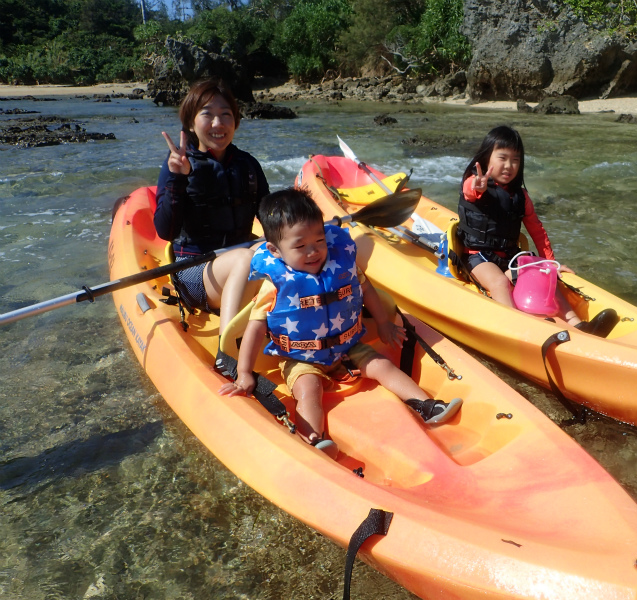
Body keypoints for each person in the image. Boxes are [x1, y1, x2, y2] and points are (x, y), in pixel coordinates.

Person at [218, 188, 462, 458]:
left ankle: (427, 406)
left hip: (348, 345)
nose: (313, 252)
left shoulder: (341, 264)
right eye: (300, 246)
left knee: (382, 365)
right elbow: (255, 328)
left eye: (319, 240)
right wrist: (244, 373)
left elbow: (366, 289)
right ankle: (314, 439)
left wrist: (383, 324)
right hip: (300, 357)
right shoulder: (274, 285)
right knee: (308, 389)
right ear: (275, 250)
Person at [457, 125, 618, 337]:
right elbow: (470, 190)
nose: (509, 165)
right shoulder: (476, 184)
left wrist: (551, 263)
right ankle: (516, 328)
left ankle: (579, 326)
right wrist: (477, 185)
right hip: (478, 257)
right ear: (487, 158)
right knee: (499, 282)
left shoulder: (521, 196)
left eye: (515, 160)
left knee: (544, 274)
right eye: (502, 158)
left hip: (508, 256)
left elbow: (537, 230)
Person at [154, 78, 268, 370]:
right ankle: (227, 352)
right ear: (191, 124)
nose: (218, 122)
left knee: (288, 248)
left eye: (226, 114)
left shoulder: (248, 165)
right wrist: (179, 180)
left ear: (236, 122)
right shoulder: (177, 164)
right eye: (207, 113)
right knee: (245, 257)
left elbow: (270, 218)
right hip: (194, 272)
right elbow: (165, 231)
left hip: (240, 259)